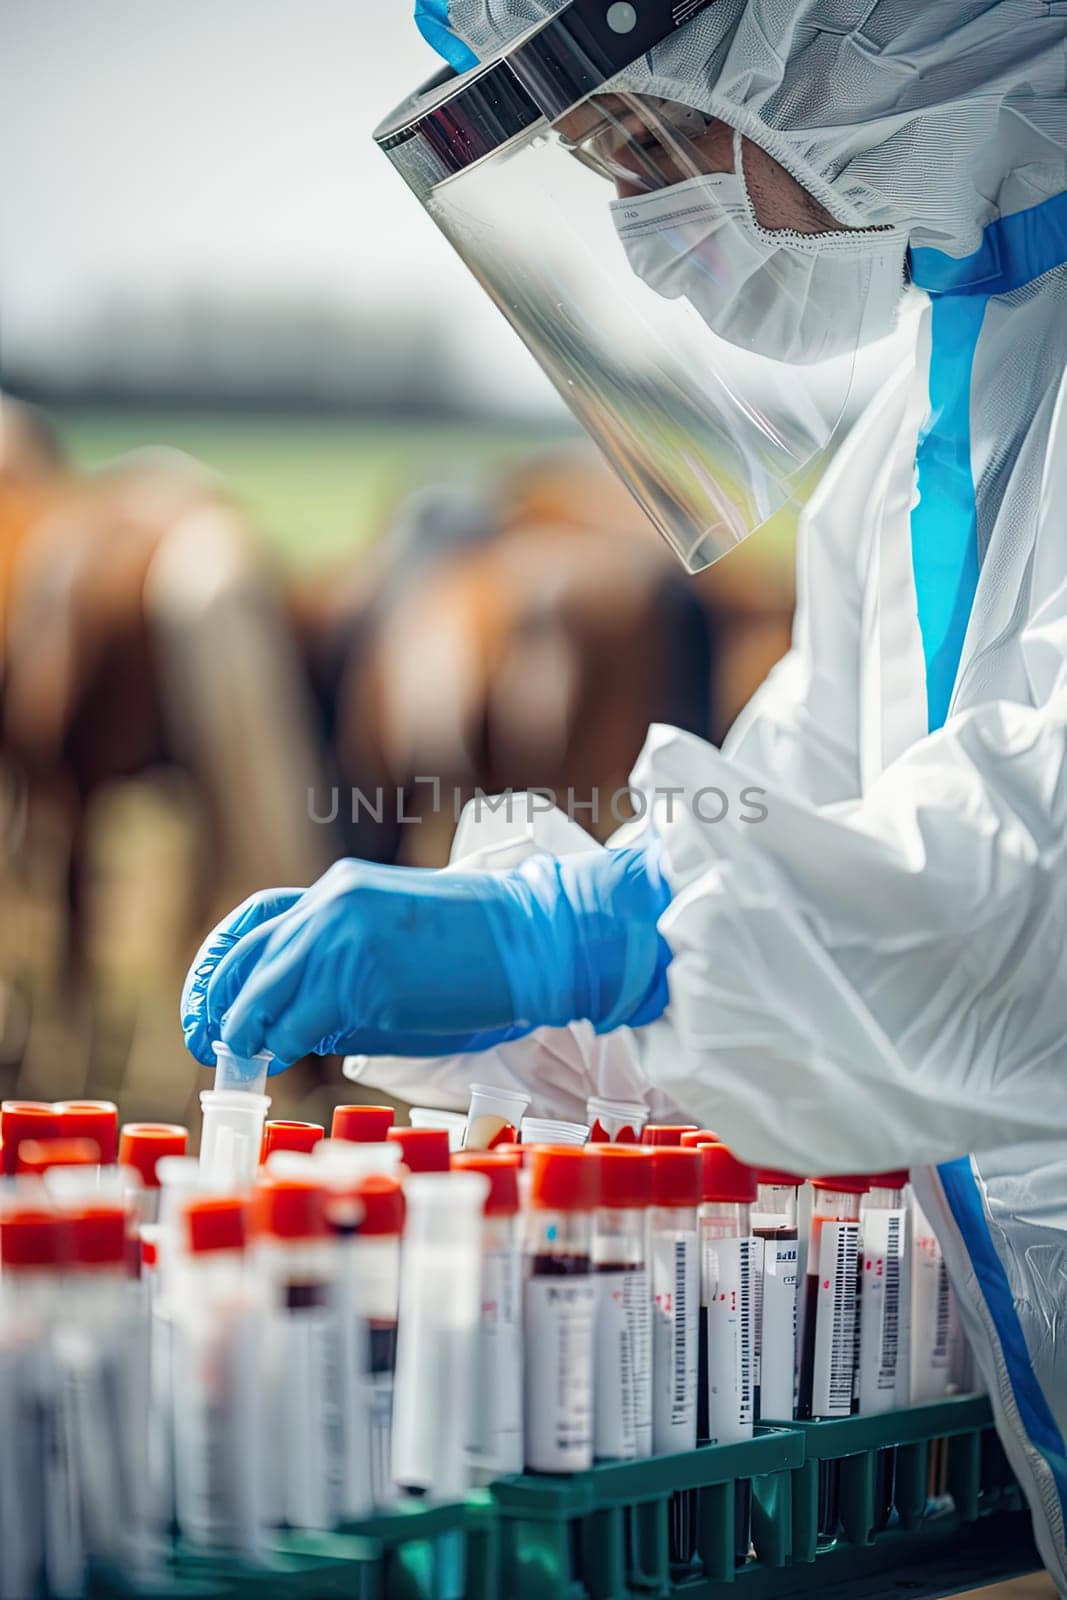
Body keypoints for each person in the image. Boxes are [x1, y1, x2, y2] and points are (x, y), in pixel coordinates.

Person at [182, 0, 1067, 1579]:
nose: (657, 240)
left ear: (870, 45)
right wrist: (539, 984)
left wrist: (597, 935)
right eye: (605, 171)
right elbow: (794, 834)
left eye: (656, 144)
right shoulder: (916, 439)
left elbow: (1027, 887)